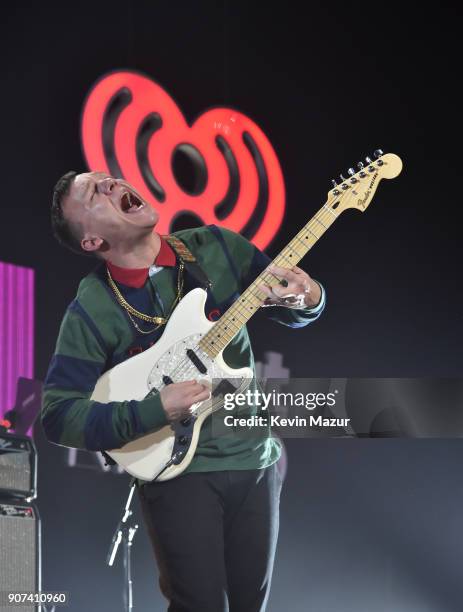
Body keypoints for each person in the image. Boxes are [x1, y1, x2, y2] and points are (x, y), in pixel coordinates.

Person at [41, 170, 326, 612]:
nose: (113, 183)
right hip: (177, 473)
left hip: (254, 456)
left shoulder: (216, 247)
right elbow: (60, 416)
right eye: (95, 191)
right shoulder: (92, 307)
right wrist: (155, 410)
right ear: (92, 241)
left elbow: (292, 305)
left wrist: (307, 296)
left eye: (109, 178)